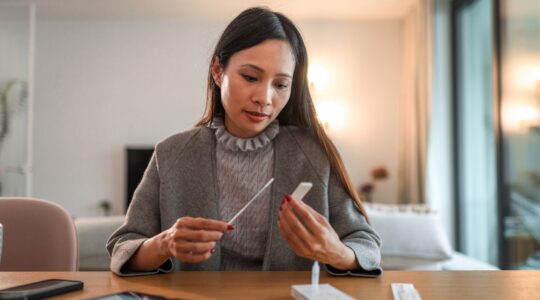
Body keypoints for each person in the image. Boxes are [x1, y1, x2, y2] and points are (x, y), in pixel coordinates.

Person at [107, 6, 382, 277]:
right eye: (250, 77)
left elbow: (365, 243)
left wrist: (336, 252)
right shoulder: (171, 154)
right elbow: (123, 247)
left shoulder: (313, 154)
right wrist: (164, 243)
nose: (264, 98)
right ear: (217, 71)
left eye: (281, 85)